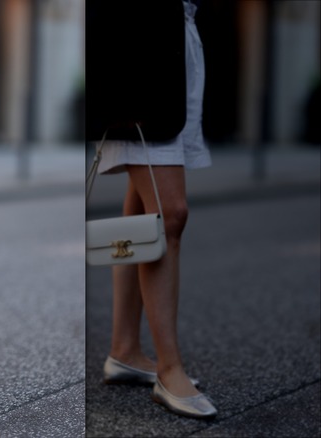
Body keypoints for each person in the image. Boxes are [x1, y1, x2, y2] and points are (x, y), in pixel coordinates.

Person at [96, 0, 217, 419]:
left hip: (175, 45)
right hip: (140, 62)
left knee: (144, 208)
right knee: (171, 213)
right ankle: (170, 369)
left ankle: (125, 349)